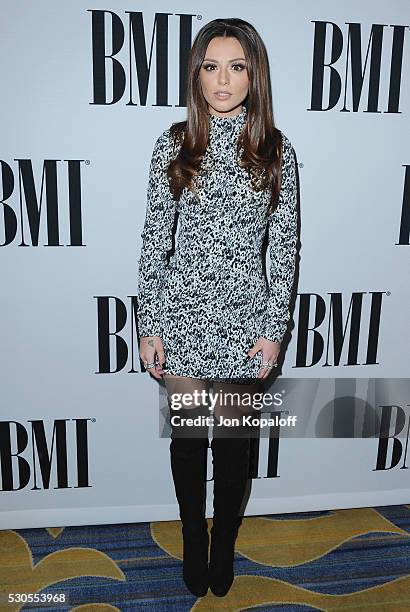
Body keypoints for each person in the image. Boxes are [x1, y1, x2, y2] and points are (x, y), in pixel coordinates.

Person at [137, 17, 298, 598]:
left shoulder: (276, 150)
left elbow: (283, 248)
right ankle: (190, 533)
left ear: (254, 74)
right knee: (187, 443)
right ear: (196, 73)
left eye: (236, 66)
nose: (223, 80)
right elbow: (157, 240)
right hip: (180, 316)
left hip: (244, 323)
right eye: (211, 66)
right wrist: (148, 323)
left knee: (232, 454)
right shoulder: (173, 145)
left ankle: (224, 539)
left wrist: (273, 327)